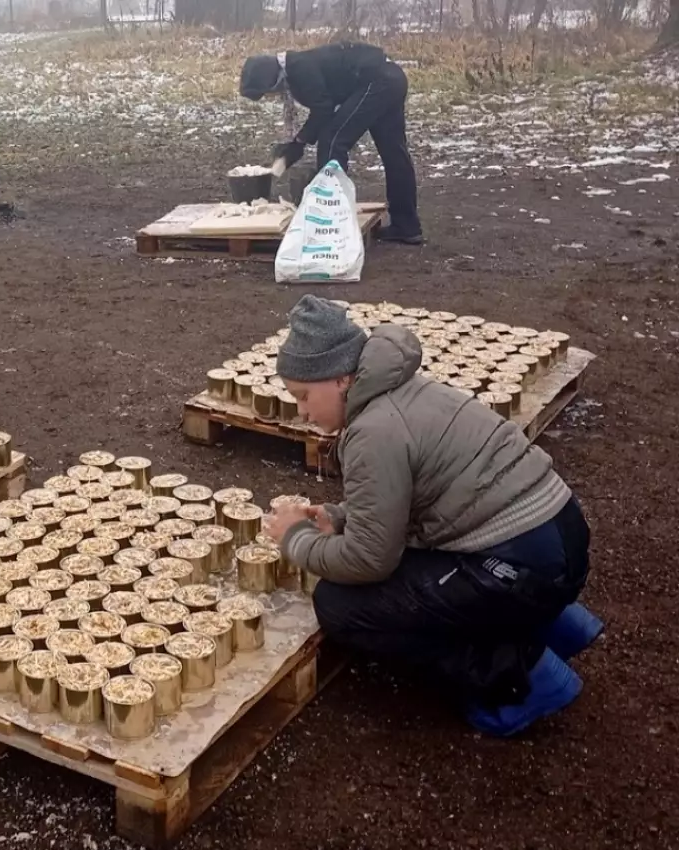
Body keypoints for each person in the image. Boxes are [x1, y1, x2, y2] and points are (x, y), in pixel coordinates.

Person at [262, 295, 603, 736]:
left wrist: (296, 540)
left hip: (521, 569)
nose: (302, 411)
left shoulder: (373, 431)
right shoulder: (408, 391)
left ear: (343, 378)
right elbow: (421, 494)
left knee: (340, 605)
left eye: (304, 396)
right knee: (415, 570)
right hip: (559, 539)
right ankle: (559, 626)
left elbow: (369, 562)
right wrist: (341, 519)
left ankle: (525, 676)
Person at [239, 42, 422, 245]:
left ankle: (332, 221)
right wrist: (299, 141)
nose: (271, 95)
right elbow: (326, 106)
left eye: (268, 91)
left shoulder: (299, 69)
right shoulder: (294, 66)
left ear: (272, 79)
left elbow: (324, 110)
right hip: (392, 78)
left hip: (377, 82)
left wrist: (299, 141)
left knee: (332, 141)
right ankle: (406, 226)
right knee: (394, 154)